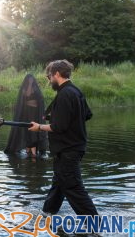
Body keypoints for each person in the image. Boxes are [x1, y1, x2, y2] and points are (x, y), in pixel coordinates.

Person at [28, 60, 98, 216]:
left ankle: (95, 227)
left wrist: (39, 126)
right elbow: (86, 115)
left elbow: (58, 127)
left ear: (56, 74)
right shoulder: (76, 91)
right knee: (59, 185)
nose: (49, 80)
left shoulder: (64, 94)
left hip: (68, 150)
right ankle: (48, 213)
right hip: (71, 148)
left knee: (74, 188)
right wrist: (57, 116)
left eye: (49, 77)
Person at [5, 74, 48, 157]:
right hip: (27, 114)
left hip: (35, 114)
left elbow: (39, 101)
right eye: (29, 80)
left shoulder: (36, 89)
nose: (30, 81)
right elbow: (27, 95)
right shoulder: (24, 89)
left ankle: (33, 154)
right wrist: (30, 85)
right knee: (28, 131)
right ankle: (29, 153)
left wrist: (31, 102)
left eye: (31, 80)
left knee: (34, 132)